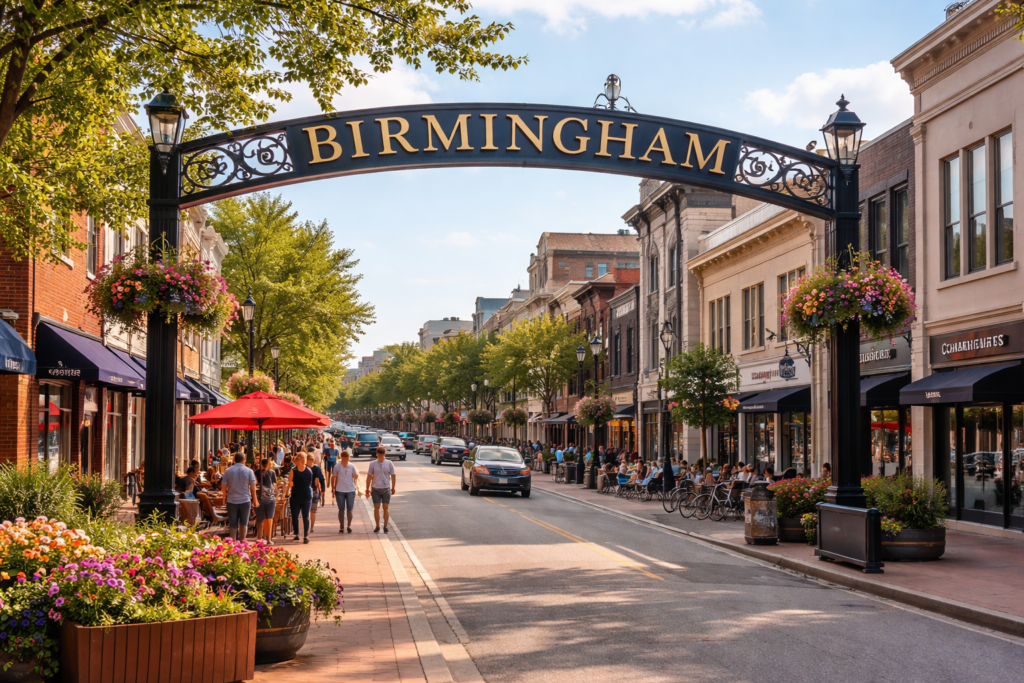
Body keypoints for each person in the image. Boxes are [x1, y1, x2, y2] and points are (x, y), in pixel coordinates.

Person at [221, 452, 258, 541]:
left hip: (231, 500)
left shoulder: (228, 471)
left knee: (233, 524)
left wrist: (223, 498)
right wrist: (255, 500)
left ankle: (233, 542)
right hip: (245, 500)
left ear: (234, 460)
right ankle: (242, 541)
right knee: (244, 523)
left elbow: (223, 487)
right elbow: (253, 488)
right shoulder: (249, 471)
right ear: (244, 460)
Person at [365, 446, 397, 534]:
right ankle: (377, 525)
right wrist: (367, 489)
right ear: (377, 454)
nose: (381, 456)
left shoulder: (389, 463)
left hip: (386, 488)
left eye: (382, 454)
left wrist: (393, 487)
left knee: (386, 507)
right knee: (376, 507)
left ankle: (385, 526)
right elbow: (369, 476)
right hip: (375, 488)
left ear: (384, 454)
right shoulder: (372, 464)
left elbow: (393, 475)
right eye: (379, 454)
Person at [286, 453, 315, 544]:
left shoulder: (294, 471)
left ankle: (299, 534)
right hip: (304, 494)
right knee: (304, 516)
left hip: (299, 494)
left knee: (297, 515)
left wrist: (286, 492)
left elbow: (290, 483)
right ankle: (303, 535)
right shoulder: (308, 470)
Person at [331, 450, 359, 533]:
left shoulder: (352, 466)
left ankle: (349, 525)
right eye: (344, 459)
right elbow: (333, 477)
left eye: (347, 459)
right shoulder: (337, 466)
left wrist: (355, 476)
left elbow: (356, 476)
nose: (346, 460)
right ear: (341, 458)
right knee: (341, 509)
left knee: (350, 508)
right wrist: (333, 487)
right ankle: (342, 526)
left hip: (350, 490)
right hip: (340, 490)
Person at [255, 458, 277, 542]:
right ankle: (269, 539)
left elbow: (254, 484)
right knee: (269, 518)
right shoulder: (272, 472)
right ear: (268, 464)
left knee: (259, 519)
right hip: (271, 497)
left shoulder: (256, 472)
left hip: (259, 498)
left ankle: (259, 538)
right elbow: (275, 485)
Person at [308, 452, 326, 532]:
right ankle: (311, 528)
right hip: (314, 491)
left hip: (311, 491)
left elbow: (321, 480)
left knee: (309, 511)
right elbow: (322, 479)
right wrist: (323, 490)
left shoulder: (304, 468)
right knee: (312, 511)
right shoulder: (316, 468)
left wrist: (323, 490)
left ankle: (310, 527)